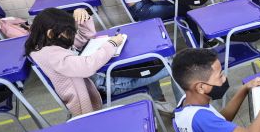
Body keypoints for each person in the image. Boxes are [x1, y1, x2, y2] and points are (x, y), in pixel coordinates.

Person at [25, 7, 171, 116]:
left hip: (101, 77)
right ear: (51, 33)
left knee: (148, 62)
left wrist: (82, 15)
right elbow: (87, 67)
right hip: (103, 86)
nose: (71, 35)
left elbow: (85, 37)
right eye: (68, 32)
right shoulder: (51, 54)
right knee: (171, 65)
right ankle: (179, 109)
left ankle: (159, 101)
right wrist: (112, 44)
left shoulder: (48, 43)